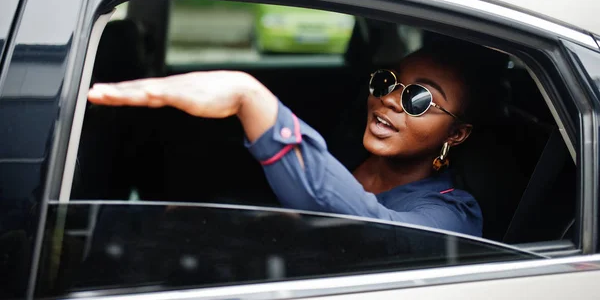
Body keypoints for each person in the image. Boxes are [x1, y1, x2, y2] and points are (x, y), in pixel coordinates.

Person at [88, 43, 493, 237]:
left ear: (456, 133)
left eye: (418, 98)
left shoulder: (454, 216)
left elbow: (371, 227)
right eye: (388, 81)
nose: (387, 99)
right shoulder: (351, 150)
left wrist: (251, 99)